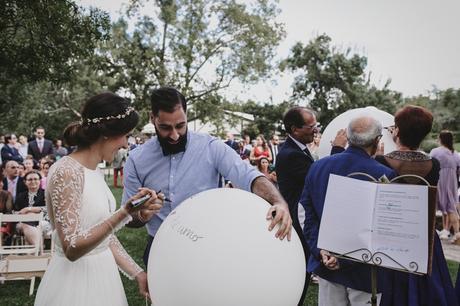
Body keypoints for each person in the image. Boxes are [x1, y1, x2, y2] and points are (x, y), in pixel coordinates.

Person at [122, 87, 292, 267]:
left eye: (180, 126)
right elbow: (128, 218)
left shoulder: (211, 147)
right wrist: (142, 216)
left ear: (186, 115)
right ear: (152, 118)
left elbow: (249, 176)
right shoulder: (136, 159)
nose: (174, 135)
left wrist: (278, 201)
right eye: (165, 127)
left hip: (208, 246)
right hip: (159, 248)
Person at [35, 92, 164, 306]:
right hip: (74, 286)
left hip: (103, 278)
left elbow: (103, 235)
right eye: (125, 135)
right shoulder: (67, 172)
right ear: (106, 134)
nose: (126, 143)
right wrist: (124, 213)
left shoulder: (92, 170)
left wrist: (138, 273)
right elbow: (72, 247)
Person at [301, 116, 396, 306]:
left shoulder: (318, 166)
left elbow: (305, 213)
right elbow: (383, 228)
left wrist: (321, 251)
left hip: (326, 264)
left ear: (349, 138)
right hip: (366, 271)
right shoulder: (384, 175)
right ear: (377, 141)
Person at [372, 106, 458, 306]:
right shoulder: (434, 164)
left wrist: (382, 153)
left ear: (398, 131)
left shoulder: (381, 160)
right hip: (424, 235)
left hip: (392, 235)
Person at [275, 107, 320, 305]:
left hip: (300, 218)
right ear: (295, 129)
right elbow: (317, 178)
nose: (316, 130)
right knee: (299, 273)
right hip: (296, 221)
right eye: (311, 126)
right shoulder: (291, 155)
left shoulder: (298, 149)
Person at [430, 130, 460, 241]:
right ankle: (457, 233)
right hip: (452, 182)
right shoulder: (455, 153)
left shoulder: (436, 151)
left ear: (441, 139)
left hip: (439, 180)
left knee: (432, 205)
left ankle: (431, 230)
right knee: (451, 207)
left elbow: (429, 163)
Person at [14, 170, 47, 246]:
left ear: (40, 181)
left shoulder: (45, 194)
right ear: (25, 182)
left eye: (36, 179)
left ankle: (35, 247)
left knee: (28, 225)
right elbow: (15, 211)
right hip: (22, 222)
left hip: (42, 221)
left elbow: (49, 208)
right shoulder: (20, 196)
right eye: (30, 179)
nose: (33, 181)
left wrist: (29, 209)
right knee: (24, 224)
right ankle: (38, 247)